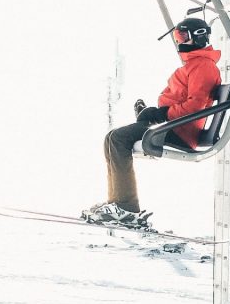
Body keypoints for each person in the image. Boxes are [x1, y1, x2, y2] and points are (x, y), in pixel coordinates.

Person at [83, 17, 221, 227]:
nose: (179, 41)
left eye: (183, 36)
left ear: (198, 37)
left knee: (119, 138)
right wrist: (153, 113)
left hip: (181, 130)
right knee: (111, 138)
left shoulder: (203, 66)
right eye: (177, 37)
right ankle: (117, 201)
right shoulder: (193, 64)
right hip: (173, 125)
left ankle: (126, 207)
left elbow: (195, 106)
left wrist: (162, 114)